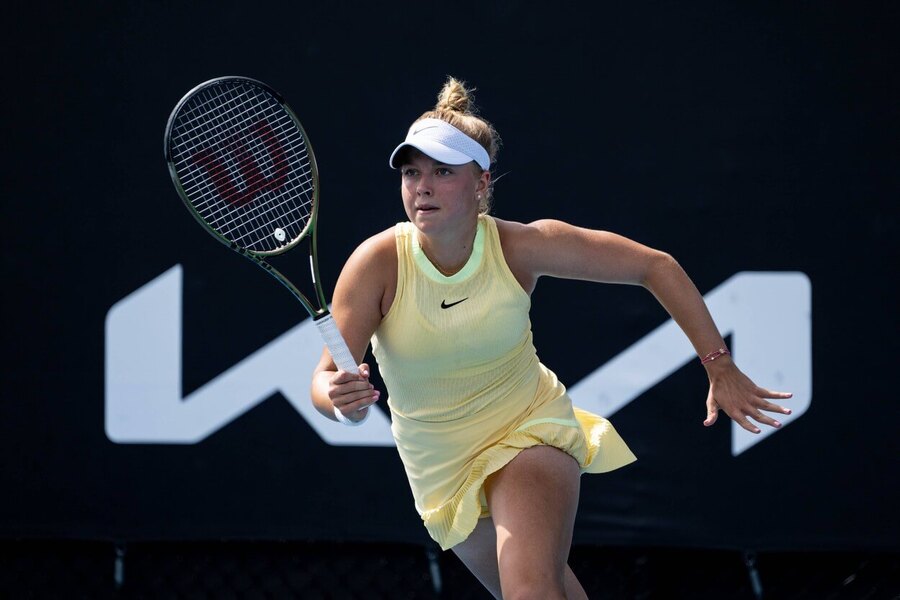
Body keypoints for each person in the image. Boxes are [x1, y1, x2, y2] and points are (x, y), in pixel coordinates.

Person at [310, 77, 792, 600]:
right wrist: (341, 401)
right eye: (411, 172)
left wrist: (718, 364)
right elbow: (326, 382)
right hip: (439, 469)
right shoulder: (376, 264)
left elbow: (655, 267)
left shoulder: (522, 247)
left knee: (530, 590)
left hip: (527, 430)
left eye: (442, 172)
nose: (421, 186)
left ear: (480, 184)